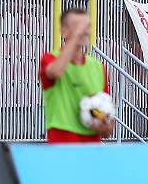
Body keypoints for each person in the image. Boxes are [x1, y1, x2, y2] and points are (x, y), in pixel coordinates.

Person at [39, 8, 114, 144]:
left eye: (87, 26)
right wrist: (74, 38)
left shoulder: (98, 67)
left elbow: (104, 106)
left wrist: (106, 126)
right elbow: (55, 72)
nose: (84, 31)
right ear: (63, 31)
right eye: (78, 26)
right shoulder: (49, 59)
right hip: (63, 144)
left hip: (92, 147)